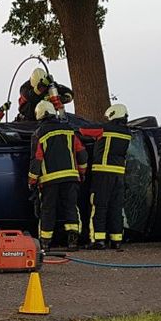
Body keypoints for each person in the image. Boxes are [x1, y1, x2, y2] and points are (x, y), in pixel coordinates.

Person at [29, 100, 87, 251]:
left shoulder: (39, 133)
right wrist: (82, 172)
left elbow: (37, 158)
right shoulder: (69, 130)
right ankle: (73, 241)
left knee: (48, 210)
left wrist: (32, 180)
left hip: (49, 180)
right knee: (71, 208)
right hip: (71, 178)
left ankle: (45, 244)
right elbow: (81, 153)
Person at [88, 104, 132, 250]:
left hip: (102, 173)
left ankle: (98, 240)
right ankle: (116, 240)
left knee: (100, 206)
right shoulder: (127, 132)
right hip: (119, 174)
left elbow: (83, 131)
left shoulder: (104, 129)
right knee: (116, 207)